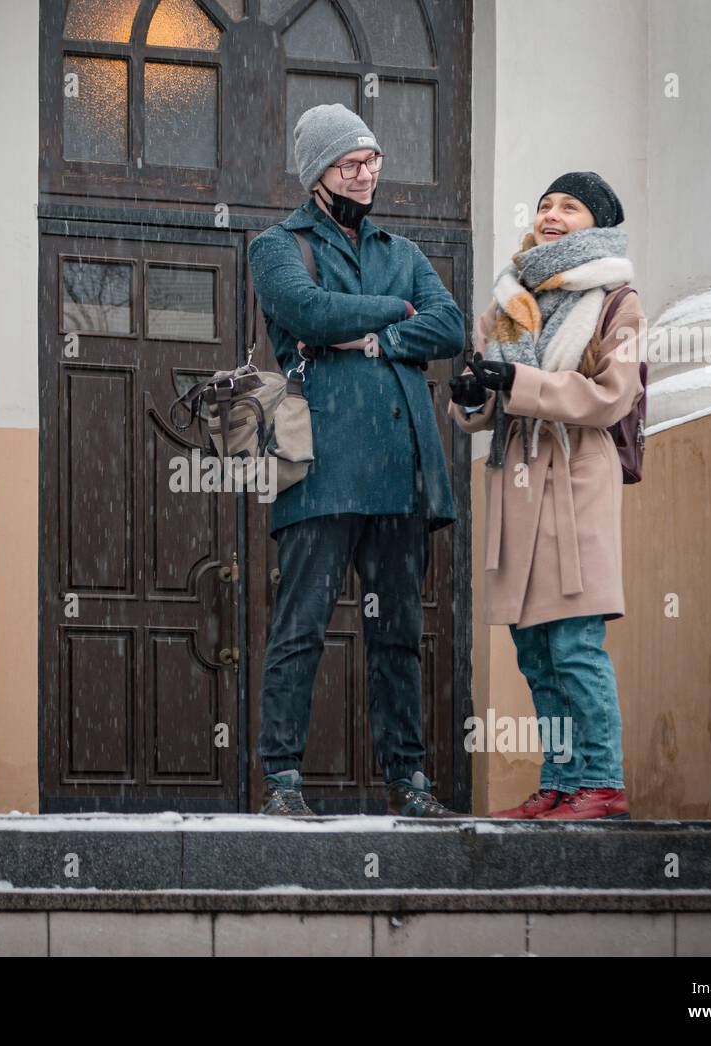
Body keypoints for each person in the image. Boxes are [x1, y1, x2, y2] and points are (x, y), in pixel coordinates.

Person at [247, 103, 466, 818]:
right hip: (321, 471)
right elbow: (308, 312)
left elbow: (449, 327)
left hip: (403, 474)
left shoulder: (403, 251)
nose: (366, 174)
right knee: (300, 628)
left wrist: (374, 334)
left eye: (372, 160)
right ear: (317, 174)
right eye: (350, 163)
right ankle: (281, 781)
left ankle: (409, 781)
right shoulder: (277, 245)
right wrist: (394, 313)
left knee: (398, 638)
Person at [448, 171, 643, 820]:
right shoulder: (509, 301)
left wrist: (520, 380)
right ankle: (561, 783)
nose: (553, 213)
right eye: (546, 205)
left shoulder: (617, 299)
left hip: (575, 484)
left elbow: (612, 396)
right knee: (534, 652)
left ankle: (602, 782)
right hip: (519, 489)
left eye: (571, 206)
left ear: (601, 224)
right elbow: (483, 406)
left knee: (575, 646)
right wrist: (473, 397)